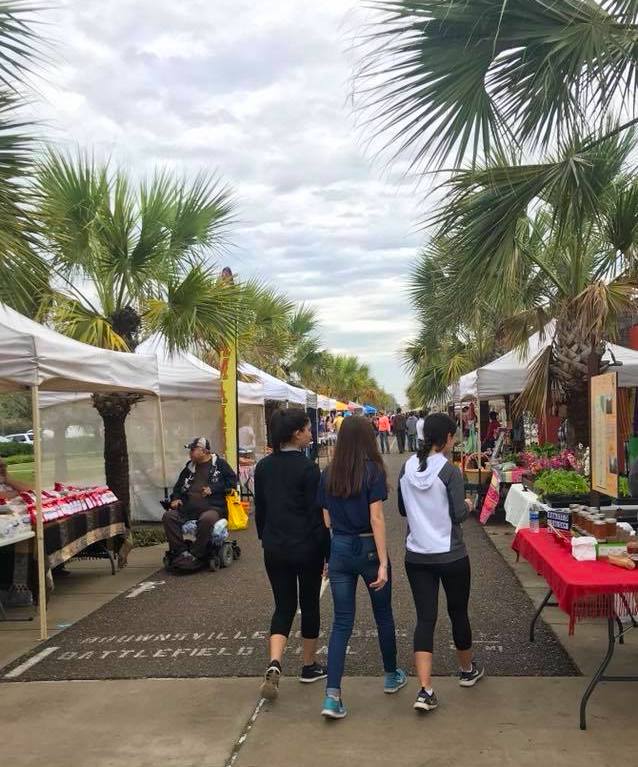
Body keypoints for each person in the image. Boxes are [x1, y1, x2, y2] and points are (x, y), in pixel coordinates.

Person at [319, 416, 406, 719]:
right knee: (383, 615)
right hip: (369, 547)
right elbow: (377, 518)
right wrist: (383, 562)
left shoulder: (328, 472)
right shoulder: (373, 471)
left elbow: (326, 520)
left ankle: (332, 697)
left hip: (340, 547)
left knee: (341, 622)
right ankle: (391, 675)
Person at [398, 413, 483, 713]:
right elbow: (458, 514)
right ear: (446, 438)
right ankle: (467, 671)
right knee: (458, 611)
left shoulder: (406, 468)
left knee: (425, 618)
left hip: (417, 554)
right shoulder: (449, 471)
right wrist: (470, 505)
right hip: (451, 554)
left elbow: (401, 508)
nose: (455, 440)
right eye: (453, 435)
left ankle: (425, 689)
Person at [254, 409, 330, 700]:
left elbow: (261, 511)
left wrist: (266, 537)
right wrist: (327, 551)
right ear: (296, 433)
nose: (311, 433)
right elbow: (317, 516)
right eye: (308, 429)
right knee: (309, 604)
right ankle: (308, 665)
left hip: (274, 547)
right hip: (306, 547)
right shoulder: (308, 469)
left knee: (283, 606)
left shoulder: (263, 468)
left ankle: (275, 662)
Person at [162, 437, 237, 571]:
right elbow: (178, 488)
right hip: (188, 509)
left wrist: (213, 489)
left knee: (207, 519)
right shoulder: (189, 467)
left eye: (193, 450)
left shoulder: (220, 465)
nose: (190, 453)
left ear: (204, 451)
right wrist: (176, 498)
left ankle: (196, 555)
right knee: (169, 516)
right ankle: (181, 552)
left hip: (213, 508)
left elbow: (232, 483)